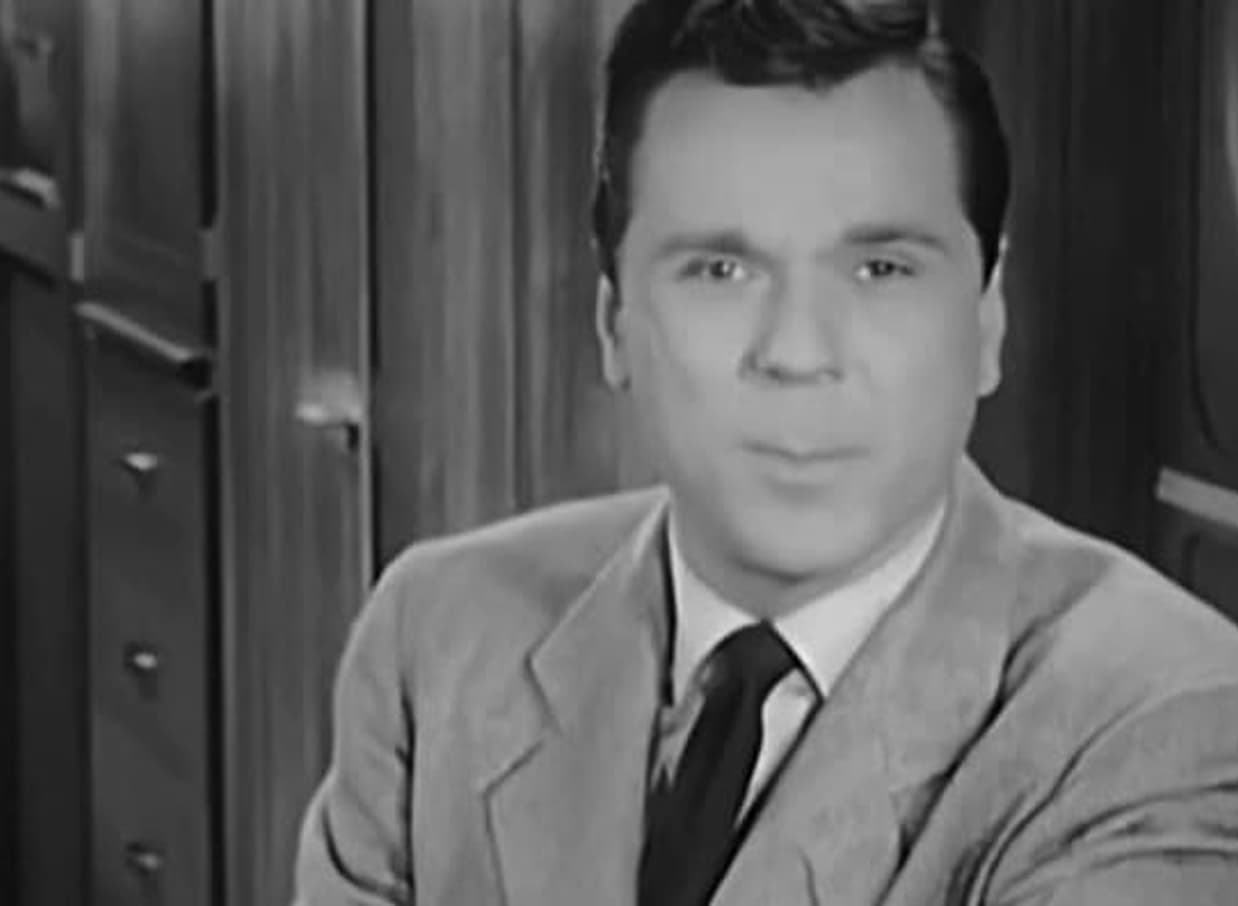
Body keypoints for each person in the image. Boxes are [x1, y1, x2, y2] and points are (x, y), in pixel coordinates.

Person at [293, 0, 1238, 903]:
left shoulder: (1166, 718)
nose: (796, 352)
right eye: (721, 270)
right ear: (615, 324)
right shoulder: (438, 630)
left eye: (880, 269)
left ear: (987, 320)